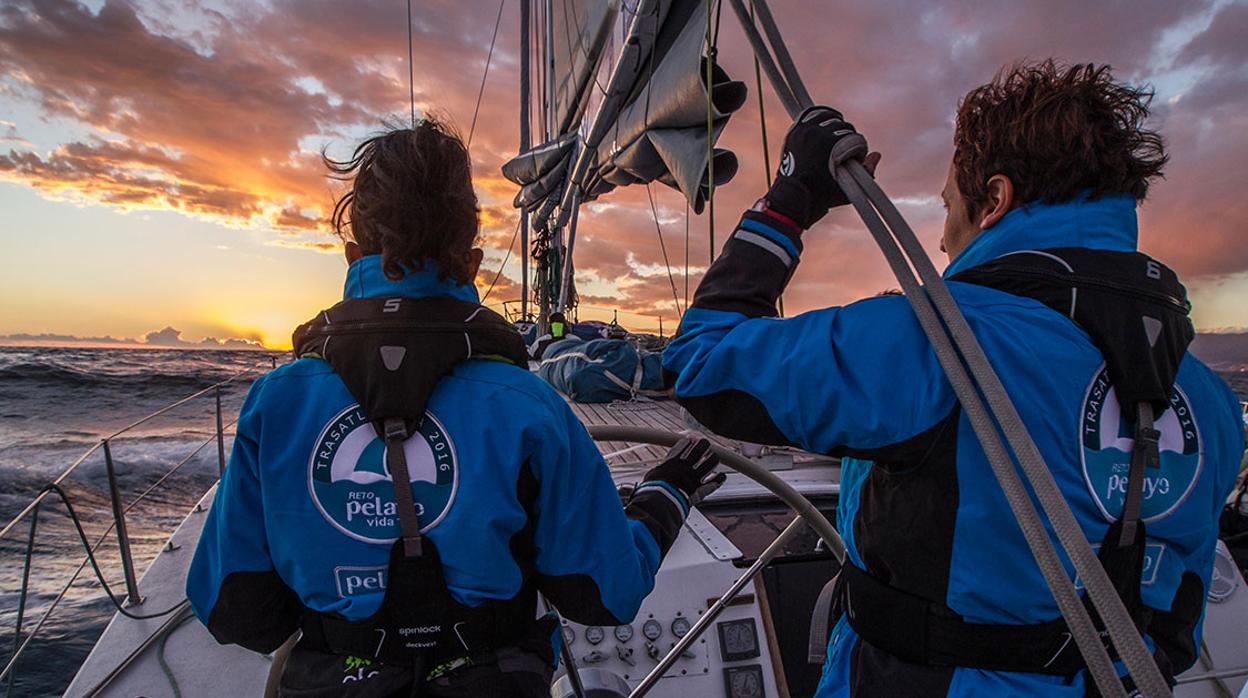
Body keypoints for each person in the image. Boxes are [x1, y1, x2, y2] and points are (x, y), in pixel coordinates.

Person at [662, 61, 1244, 696]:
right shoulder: (1210, 402)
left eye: (947, 207)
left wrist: (790, 198)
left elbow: (702, 361)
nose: (940, 243)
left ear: (993, 201)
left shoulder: (938, 342)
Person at [186, 119, 722, 697]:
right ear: (470, 263)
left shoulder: (277, 403)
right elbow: (604, 593)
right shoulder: (530, 407)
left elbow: (234, 608)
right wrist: (665, 497)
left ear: (351, 255)